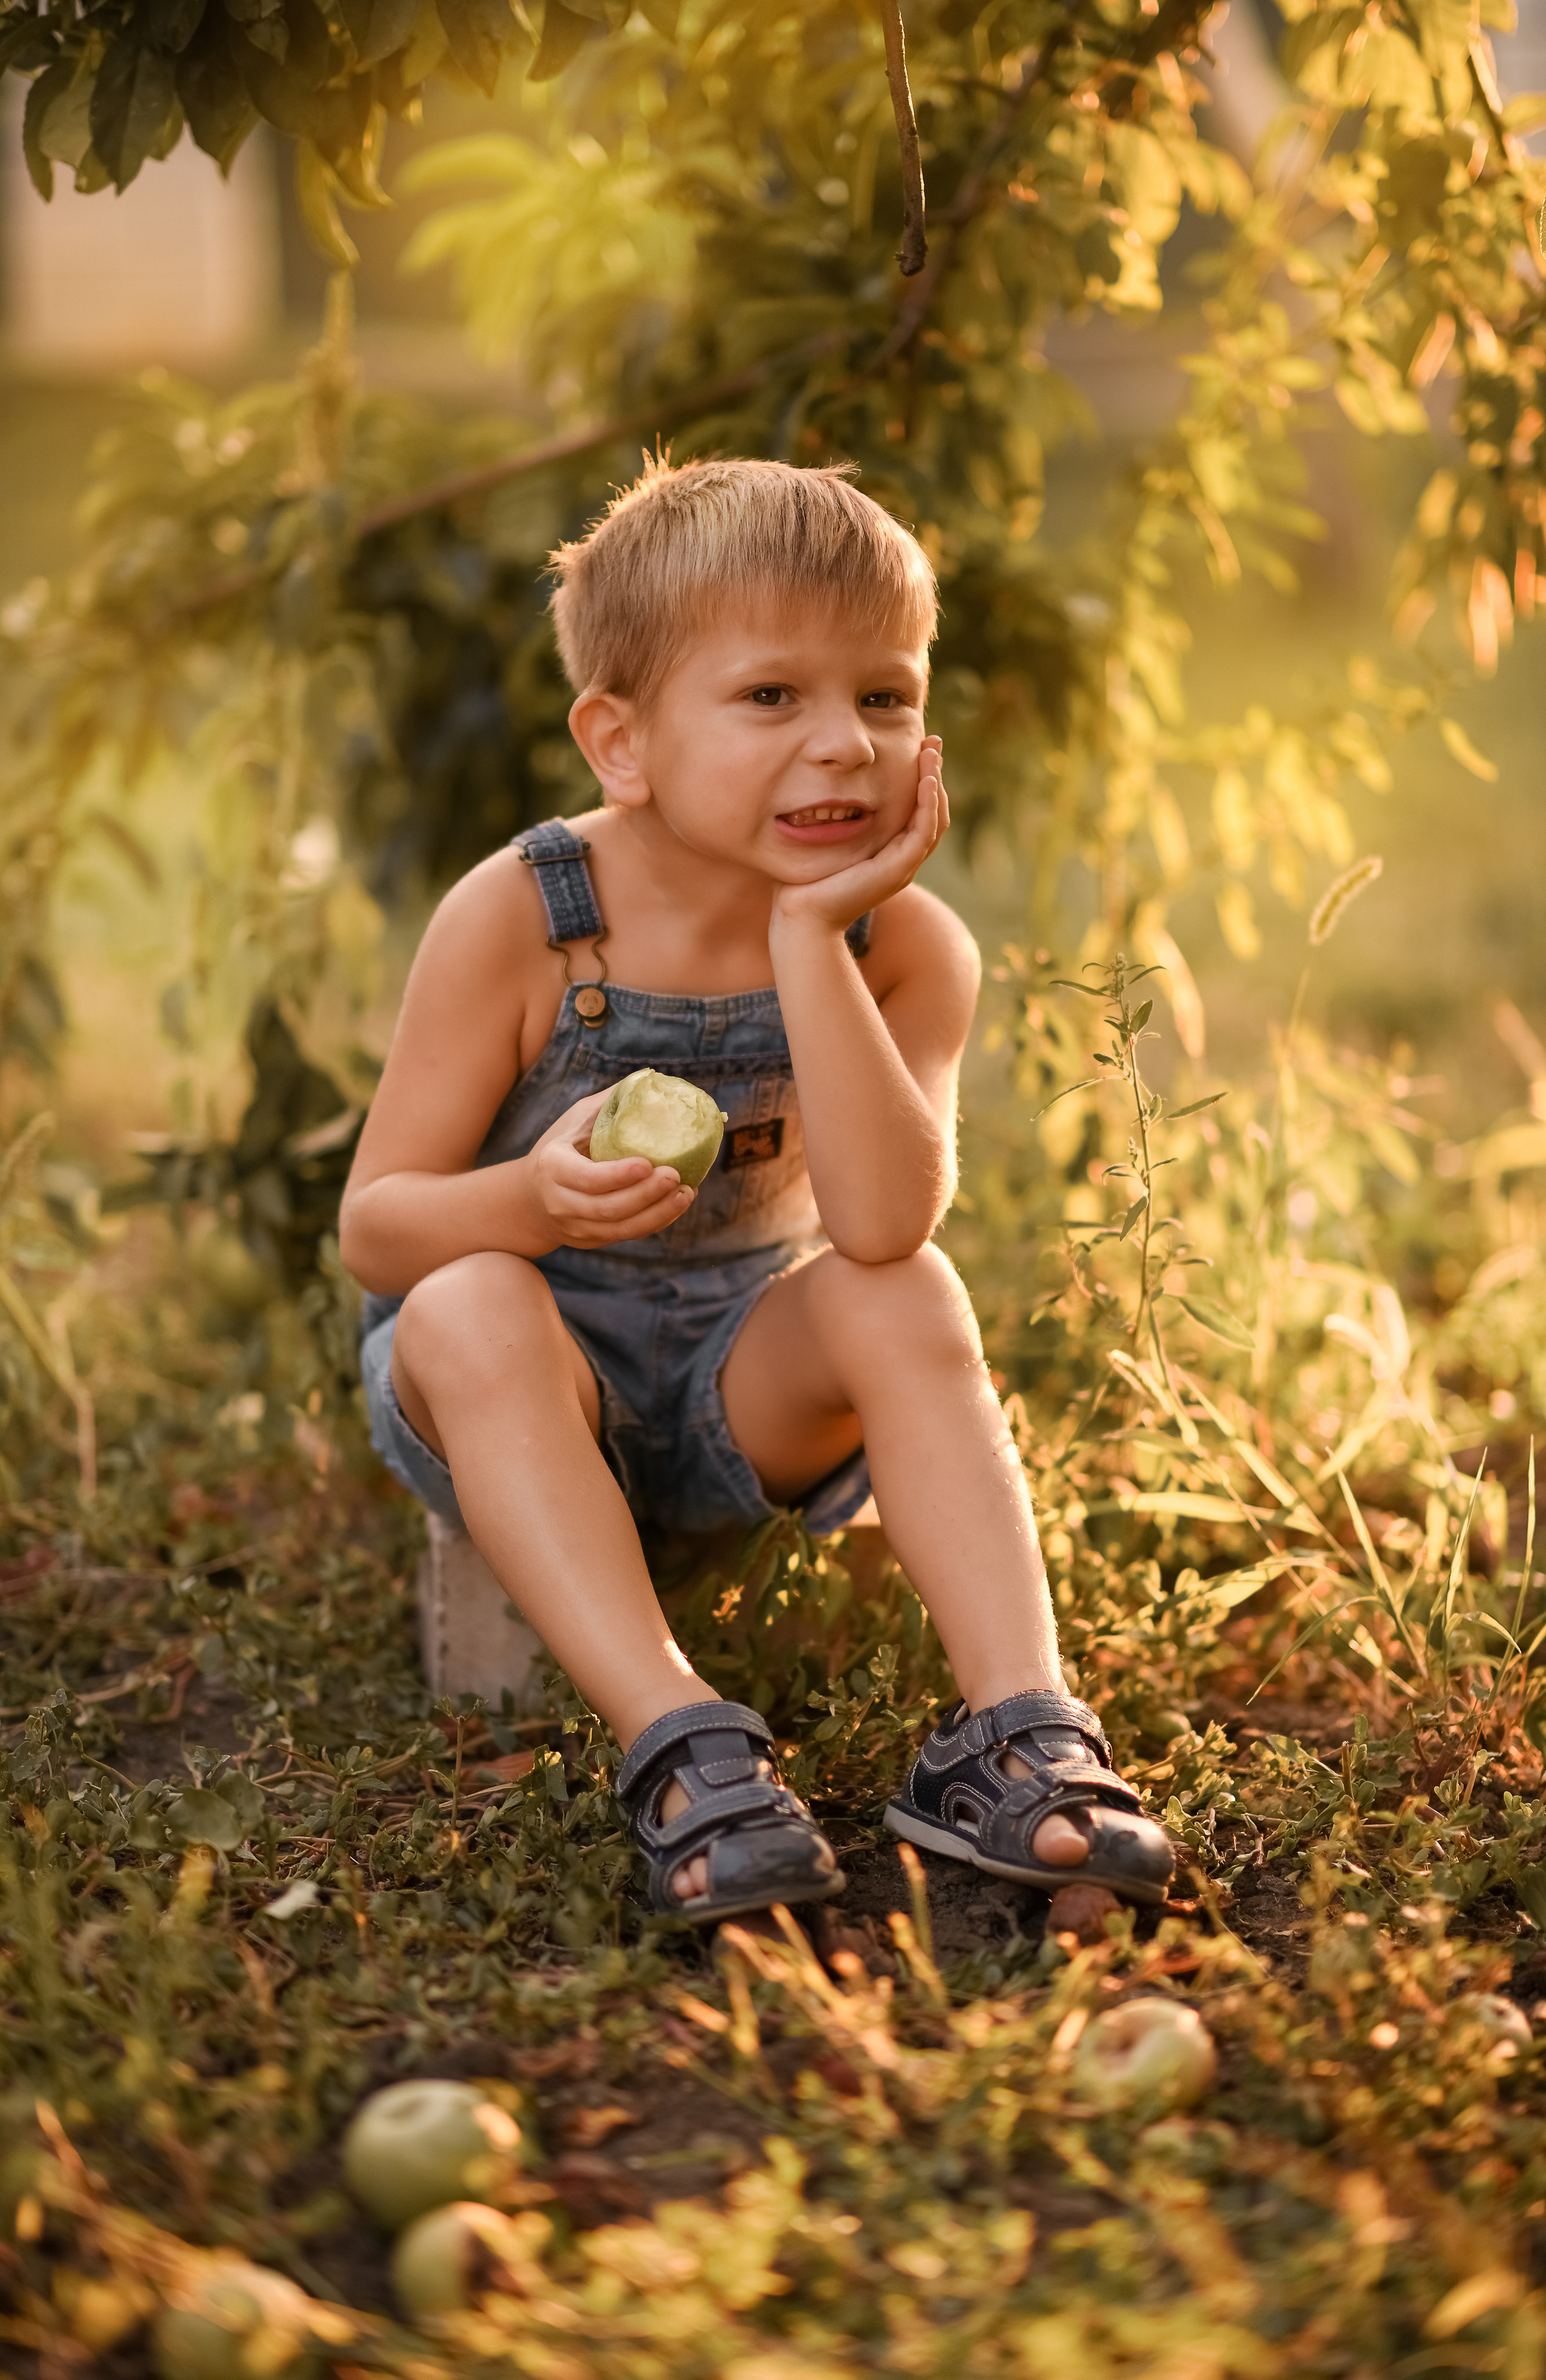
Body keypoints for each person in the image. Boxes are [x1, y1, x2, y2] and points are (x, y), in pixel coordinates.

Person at [340, 456, 1172, 1924]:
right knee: (467, 1302)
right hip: (528, 1388)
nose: (844, 744)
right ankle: (681, 1743)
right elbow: (377, 1228)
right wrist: (532, 1200)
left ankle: (1019, 1735)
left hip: (746, 1384)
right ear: (622, 742)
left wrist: (809, 942)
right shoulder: (527, 920)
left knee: (906, 1292)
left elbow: (880, 1227)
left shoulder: (903, 949)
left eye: (885, 696)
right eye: (772, 696)